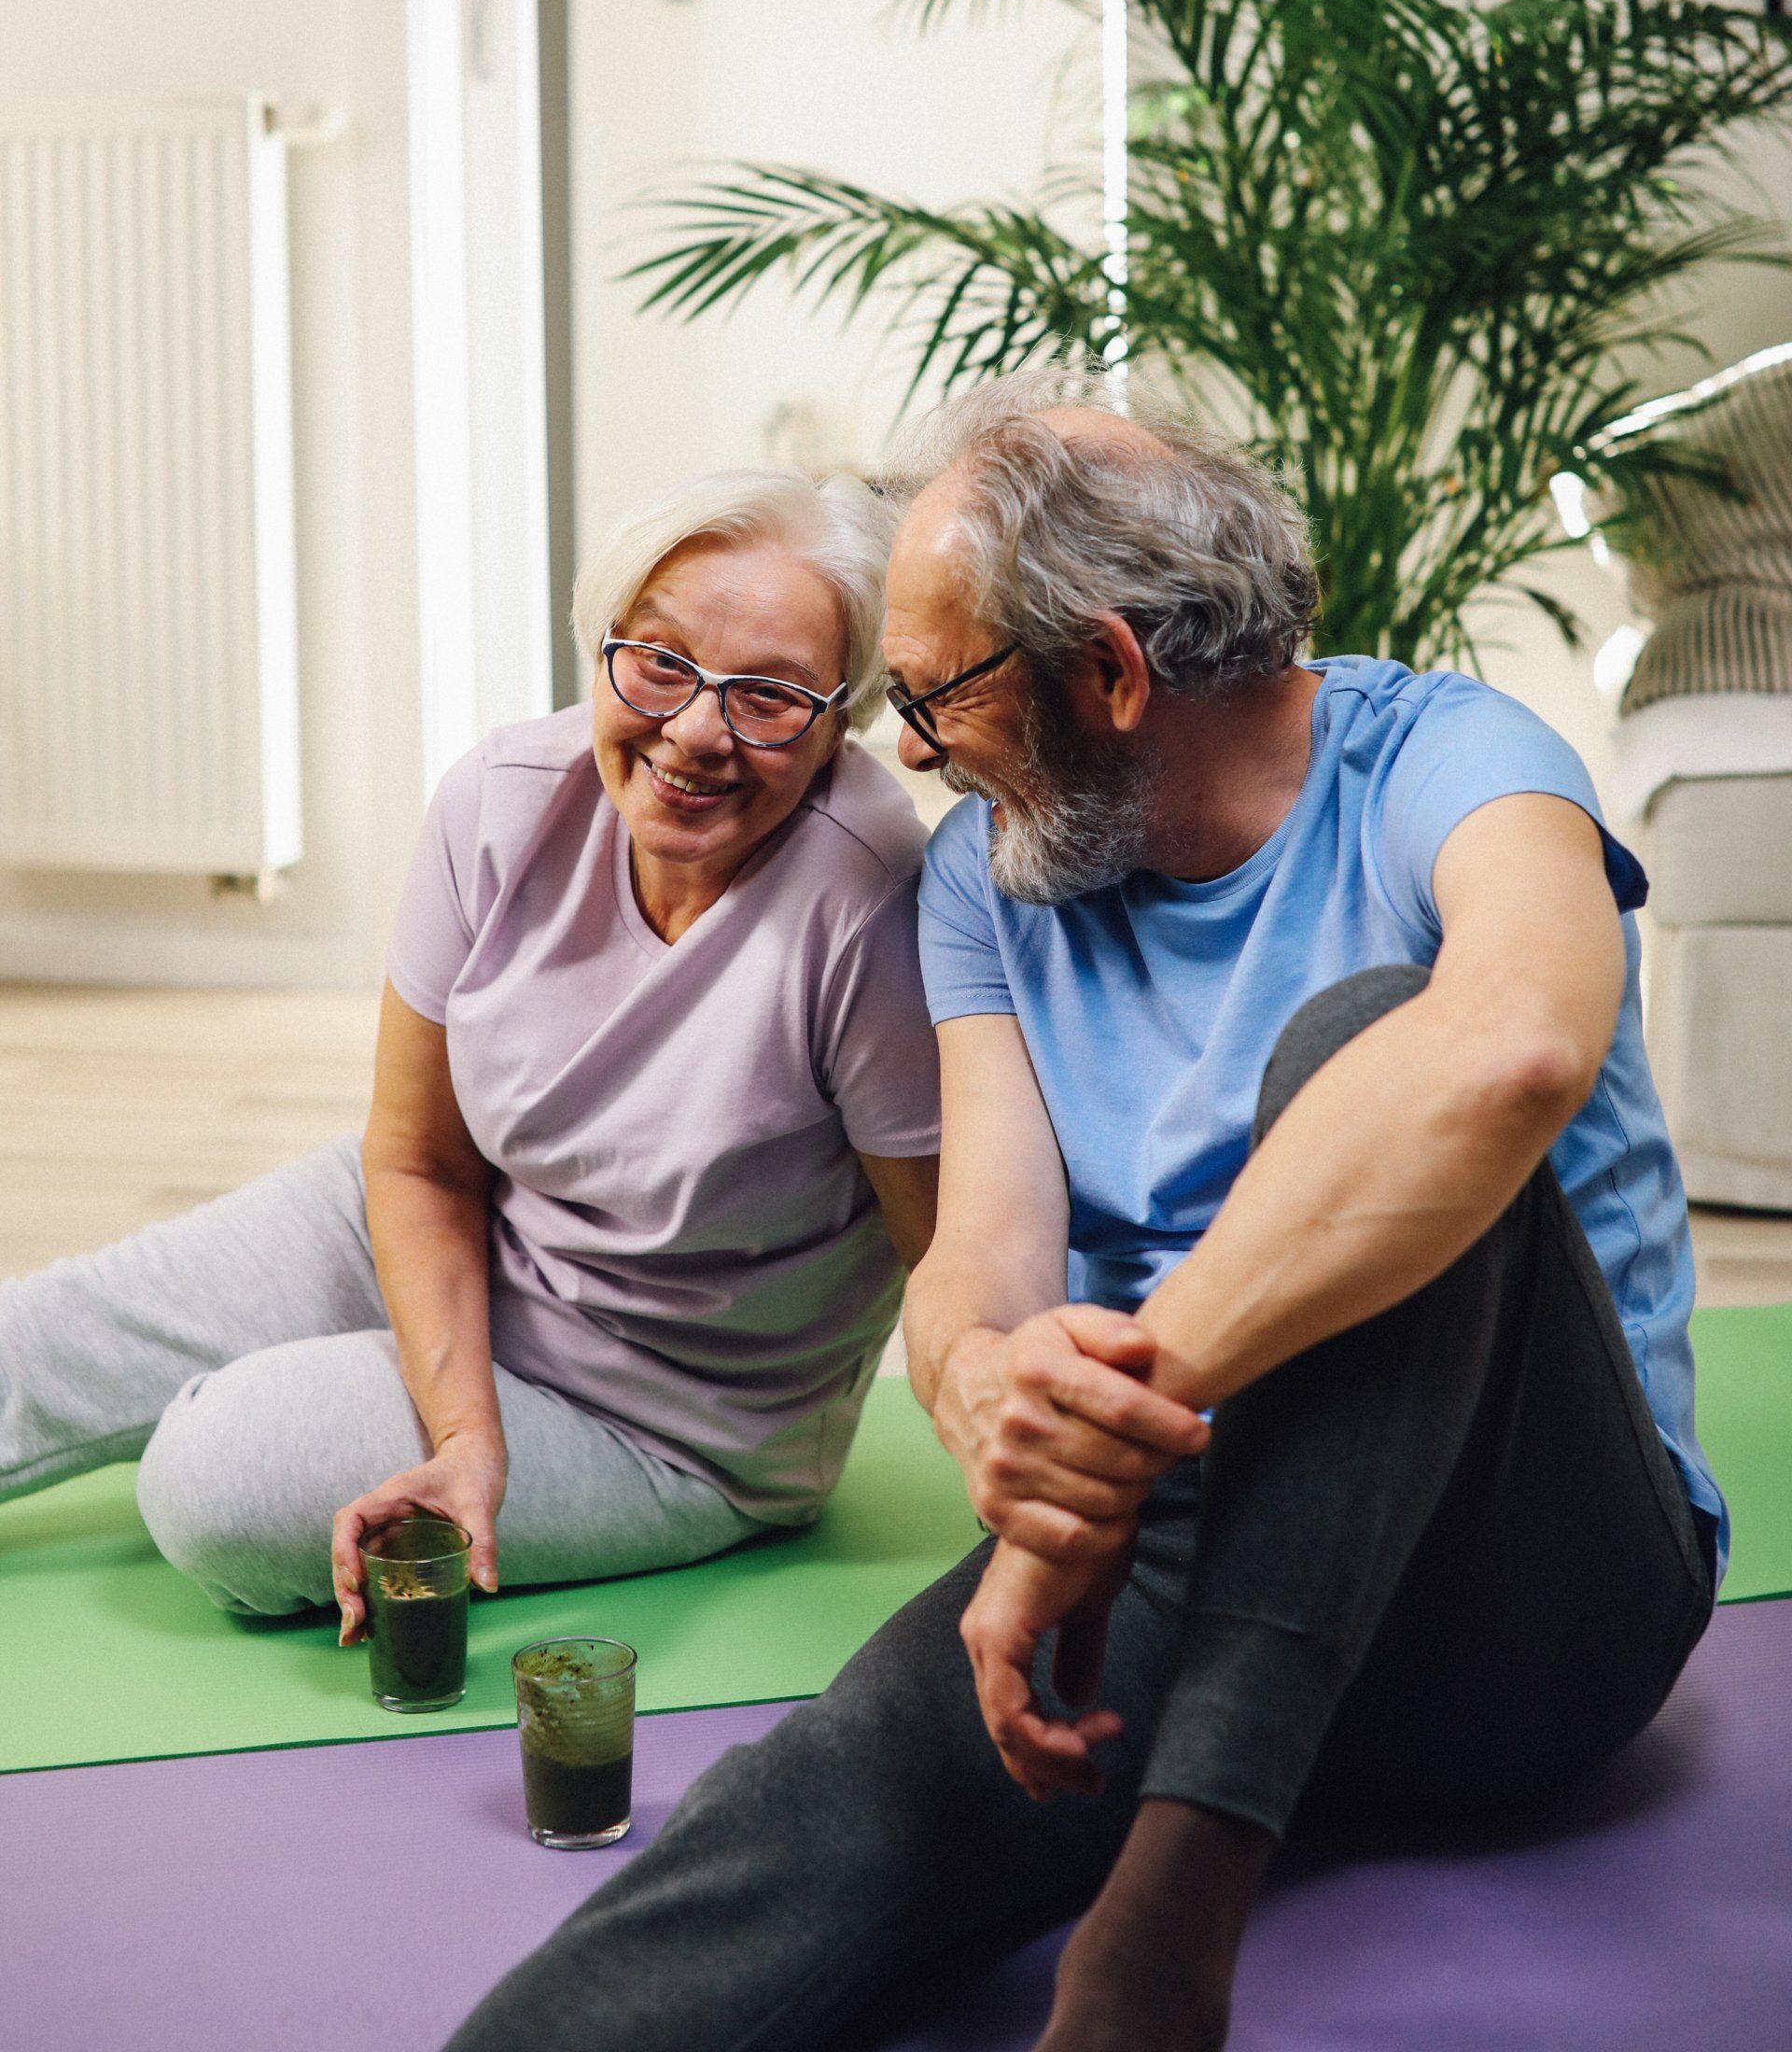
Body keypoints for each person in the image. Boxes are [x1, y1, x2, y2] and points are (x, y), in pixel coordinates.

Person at [444, 371, 1722, 2052]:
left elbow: (1515, 1049)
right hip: (1164, 1559)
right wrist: (992, 1419)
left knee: (1382, 1057)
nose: (905, 748)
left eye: (937, 692)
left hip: (1528, 1601)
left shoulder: (1458, 763)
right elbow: (976, 1257)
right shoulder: (988, 873)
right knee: (815, 1805)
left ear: (1109, 673)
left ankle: (1164, 1923)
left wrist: (1110, 1436)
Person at [0, 470, 940, 1628]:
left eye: (769, 696)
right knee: (42, 1337)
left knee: (217, 1476)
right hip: (463, 1214)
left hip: (668, 1411)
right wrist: (463, 1433)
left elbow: (941, 1252)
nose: (697, 731)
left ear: (839, 721)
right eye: (660, 662)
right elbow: (418, 1161)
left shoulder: (868, 899)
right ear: (604, 645)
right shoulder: (501, 799)